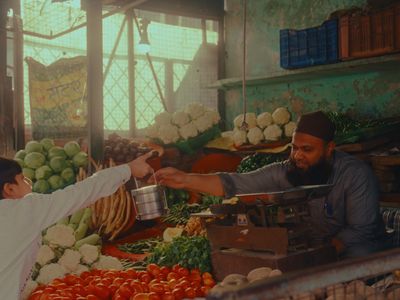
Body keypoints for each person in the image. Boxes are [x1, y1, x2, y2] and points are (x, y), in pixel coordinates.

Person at [155, 111, 389, 259]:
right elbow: (234, 184)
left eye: (307, 150)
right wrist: (185, 179)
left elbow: (361, 230)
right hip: (310, 248)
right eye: (295, 148)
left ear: (329, 149)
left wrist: (322, 256)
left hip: (352, 247)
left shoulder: (355, 175)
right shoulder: (284, 171)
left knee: (359, 256)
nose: (297, 156)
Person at [0, 151, 156, 299]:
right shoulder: (23, 211)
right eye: (22, 179)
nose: (29, 183)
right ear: (10, 188)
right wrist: (128, 169)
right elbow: (81, 193)